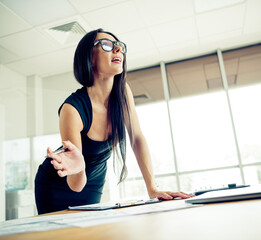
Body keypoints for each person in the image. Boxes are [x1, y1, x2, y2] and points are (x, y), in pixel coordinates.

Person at [34, 28, 193, 214]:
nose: (118, 50)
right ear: (89, 57)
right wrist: (78, 167)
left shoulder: (123, 92)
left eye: (119, 46)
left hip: (94, 182)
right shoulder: (72, 110)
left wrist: (152, 188)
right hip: (59, 184)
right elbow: (75, 185)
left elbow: (137, 138)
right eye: (107, 45)